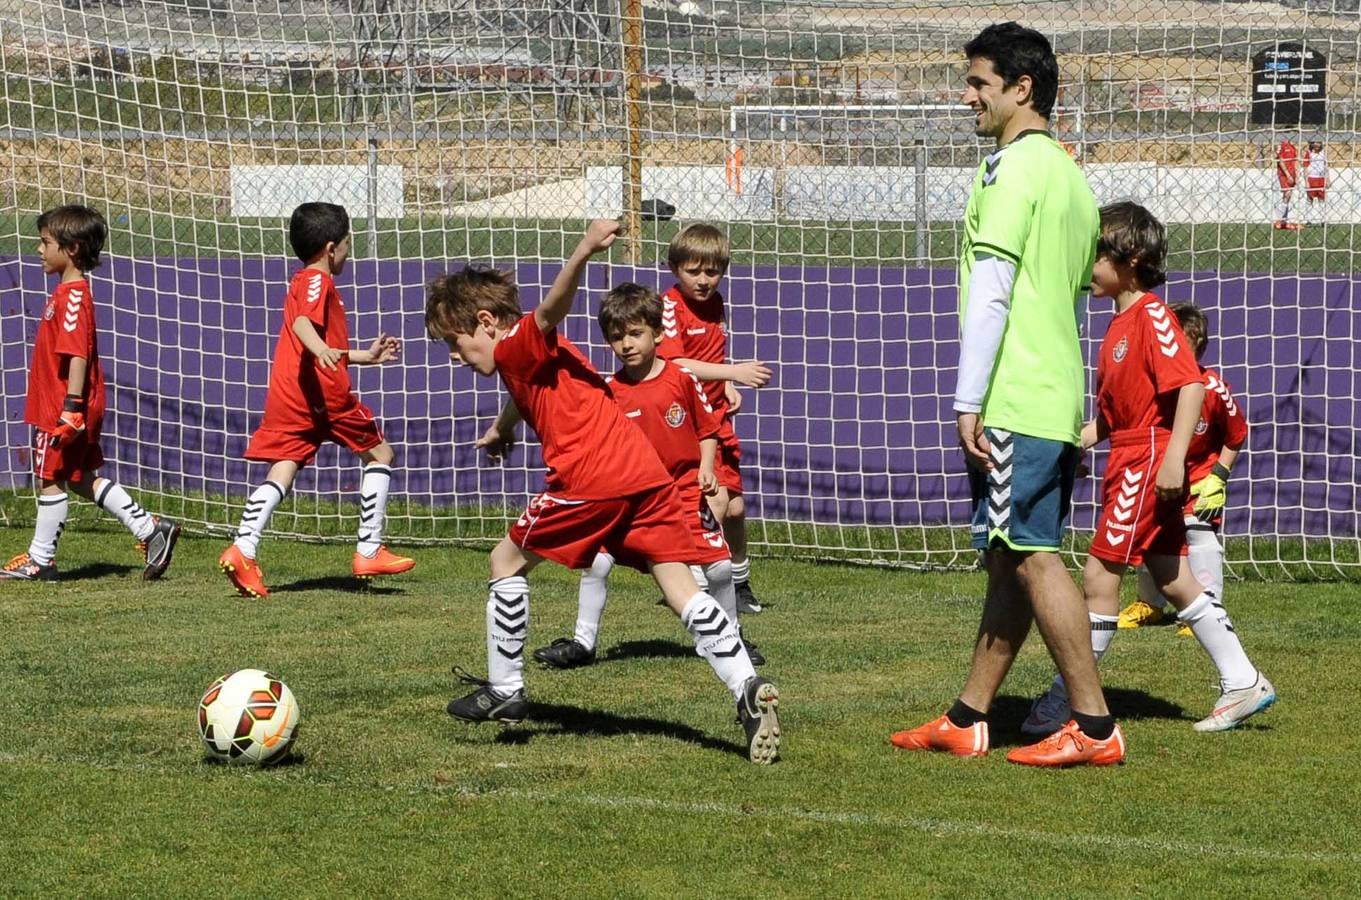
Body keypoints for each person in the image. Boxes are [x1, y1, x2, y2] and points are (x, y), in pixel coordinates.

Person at [424, 221, 780, 764]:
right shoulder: (527, 359)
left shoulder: (523, 338)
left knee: (504, 561)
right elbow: (529, 388)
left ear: (486, 322)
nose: (455, 354)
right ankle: (748, 687)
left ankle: (505, 688)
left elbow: (548, 310)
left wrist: (584, 249)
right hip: (645, 473)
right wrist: (504, 427)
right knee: (681, 586)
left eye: (456, 341)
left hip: (593, 476)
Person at [889, 22, 1124, 767]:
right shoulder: (1070, 175)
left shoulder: (1008, 170)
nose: (966, 97)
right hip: (1054, 392)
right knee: (1008, 554)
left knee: (1030, 554)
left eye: (977, 83)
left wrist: (968, 399)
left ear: (1021, 89)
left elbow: (991, 293)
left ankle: (1091, 726)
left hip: (1015, 396)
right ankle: (968, 715)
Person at [1022, 202, 1275, 736]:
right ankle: (1243, 678)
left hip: (1148, 460)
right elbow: (1116, 417)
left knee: (1097, 577)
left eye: (1096, 253)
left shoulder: (1154, 315)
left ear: (1130, 257)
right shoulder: (1117, 324)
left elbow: (1190, 385)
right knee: (1170, 573)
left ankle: (1067, 701)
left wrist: (1175, 459)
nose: (1086, 264)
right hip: (1131, 454)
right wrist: (1081, 439)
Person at [529, 282, 762, 669]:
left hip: (686, 494)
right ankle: (582, 643)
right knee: (598, 561)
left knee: (719, 567)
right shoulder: (609, 391)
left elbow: (707, 429)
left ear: (657, 333)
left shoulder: (681, 378)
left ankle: (731, 638)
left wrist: (706, 468)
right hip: (632, 499)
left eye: (635, 334)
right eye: (617, 337)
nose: (627, 344)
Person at [218, 202, 413, 598]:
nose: (347, 251)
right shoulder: (316, 281)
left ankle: (243, 547)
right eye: (345, 244)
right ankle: (369, 550)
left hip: (293, 394)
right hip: (323, 394)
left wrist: (363, 356)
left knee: (283, 469)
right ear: (330, 248)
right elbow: (305, 324)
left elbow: (316, 339)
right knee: (381, 455)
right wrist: (322, 349)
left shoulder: (303, 280)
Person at [0, 205, 181, 582]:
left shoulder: (73, 298)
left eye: (46, 242)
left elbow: (77, 355)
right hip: (72, 404)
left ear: (73, 248)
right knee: (79, 476)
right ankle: (151, 530)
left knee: (49, 476)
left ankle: (40, 559)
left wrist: (70, 407)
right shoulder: (68, 292)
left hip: (63, 406)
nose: (38, 249)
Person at [655, 224, 773, 614]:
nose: (704, 280)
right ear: (674, 268)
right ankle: (695, 589)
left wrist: (726, 388)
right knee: (713, 501)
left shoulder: (716, 302)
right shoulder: (669, 307)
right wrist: (733, 374)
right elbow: (674, 364)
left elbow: (709, 358)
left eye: (712, 271)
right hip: (686, 423)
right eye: (694, 271)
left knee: (736, 509)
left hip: (716, 415)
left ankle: (739, 584)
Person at [1117, 303, 1248, 638]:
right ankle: (1150, 604)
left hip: (1200, 480)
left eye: (1179, 344)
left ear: (1197, 347)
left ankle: (1207, 607)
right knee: (1149, 537)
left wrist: (1218, 476)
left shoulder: (1213, 388)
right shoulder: (1150, 387)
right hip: (1157, 476)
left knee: (1199, 536)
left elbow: (1236, 435)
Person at [1274, 138, 1301, 230]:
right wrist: (1288, 174)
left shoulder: (1293, 146)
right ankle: (1279, 220)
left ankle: (1283, 222)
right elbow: (1280, 161)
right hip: (1284, 174)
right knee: (1287, 194)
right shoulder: (1281, 145)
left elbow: (1295, 161)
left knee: (1288, 197)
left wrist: (1297, 175)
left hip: (1292, 174)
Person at [1303, 139, 1327, 225]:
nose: (1317, 144)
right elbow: (1305, 167)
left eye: (1319, 142)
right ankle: (1308, 220)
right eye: (1315, 142)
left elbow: (1326, 166)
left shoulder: (1323, 152)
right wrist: (1306, 181)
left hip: (1321, 178)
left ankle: (1323, 220)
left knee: (1322, 199)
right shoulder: (1309, 153)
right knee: (1310, 199)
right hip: (1311, 178)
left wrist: (1328, 179)